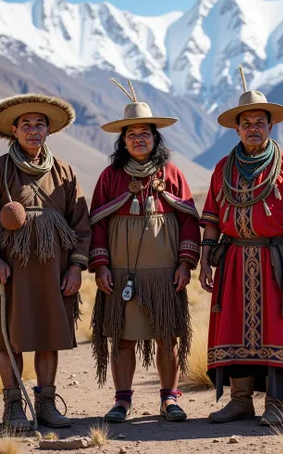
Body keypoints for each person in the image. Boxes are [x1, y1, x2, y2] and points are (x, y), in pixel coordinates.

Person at [199, 69, 283, 425]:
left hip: (275, 259)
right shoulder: (223, 168)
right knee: (234, 328)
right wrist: (205, 262)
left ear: (271, 126)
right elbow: (211, 220)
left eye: (260, 122)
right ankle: (240, 400)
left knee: (277, 330)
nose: (253, 127)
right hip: (233, 257)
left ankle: (276, 405)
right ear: (236, 129)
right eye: (246, 122)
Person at [0, 93, 91, 429]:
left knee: (49, 336)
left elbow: (81, 224)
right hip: (10, 272)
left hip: (56, 271)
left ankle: (47, 405)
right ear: (15, 132)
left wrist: (76, 267)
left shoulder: (64, 171)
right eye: (26, 125)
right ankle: (13, 408)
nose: (33, 130)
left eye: (39, 124)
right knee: (10, 337)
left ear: (48, 131)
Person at [89, 79, 200, 423]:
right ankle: (122, 401)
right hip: (122, 273)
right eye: (132, 134)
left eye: (146, 133)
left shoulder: (173, 174)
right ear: (122, 141)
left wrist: (185, 263)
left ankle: (170, 399)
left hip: (166, 273)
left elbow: (188, 221)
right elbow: (98, 224)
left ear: (156, 138)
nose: (139, 138)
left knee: (168, 336)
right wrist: (102, 266)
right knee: (122, 339)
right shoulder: (110, 177)